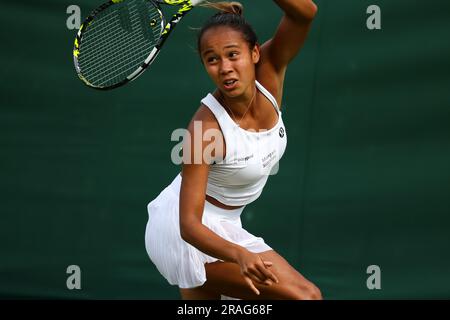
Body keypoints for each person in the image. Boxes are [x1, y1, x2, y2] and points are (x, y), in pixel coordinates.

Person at [145, 0, 322, 300]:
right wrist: (238, 254)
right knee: (305, 297)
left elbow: (305, 12)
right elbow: (188, 225)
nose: (225, 68)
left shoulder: (270, 70)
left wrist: (237, 250)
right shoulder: (204, 130)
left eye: (232, 55)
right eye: (212, 59)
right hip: (181, 232)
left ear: (254, 53)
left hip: (227, 227)